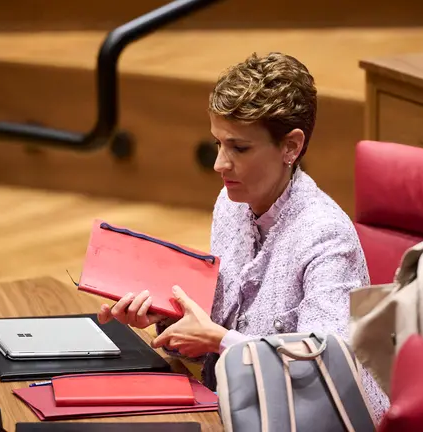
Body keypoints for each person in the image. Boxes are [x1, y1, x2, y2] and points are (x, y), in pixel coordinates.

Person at [98, 52, 390, 421]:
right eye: (218, 143)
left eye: (239, 148)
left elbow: (329, 368)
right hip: (236, 408)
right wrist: (168, 319)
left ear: (291, 147)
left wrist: (217, 340)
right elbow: (221, 324)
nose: (220, 163)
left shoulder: (327, 235)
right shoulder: (230, 202)